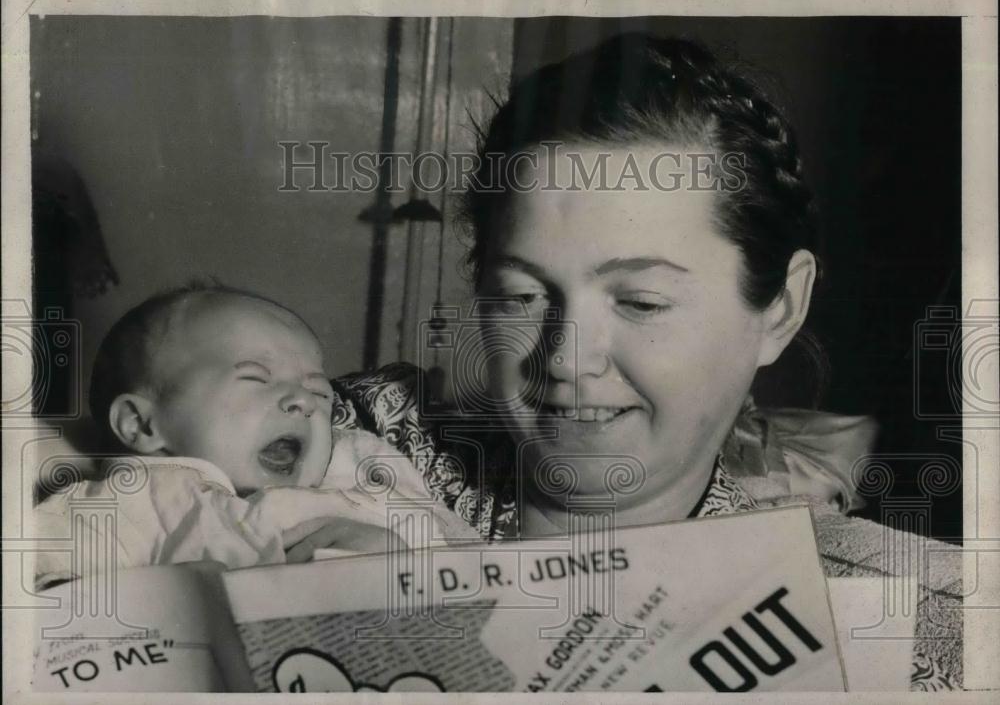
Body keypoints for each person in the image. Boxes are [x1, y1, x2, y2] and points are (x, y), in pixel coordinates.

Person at [331, 34, 961, 690]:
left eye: (641, 301)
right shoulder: (341, 445)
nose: (568, 357)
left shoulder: (890, 626)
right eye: (521, 294)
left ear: (779, 307)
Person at [34, 284, 466, 589]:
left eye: (319, 391)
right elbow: (44, 585)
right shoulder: (141, 499)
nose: (304, 402)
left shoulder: (363, 469)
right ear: (142, 425)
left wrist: (412, 568)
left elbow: (479, 565)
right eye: (257, 379)